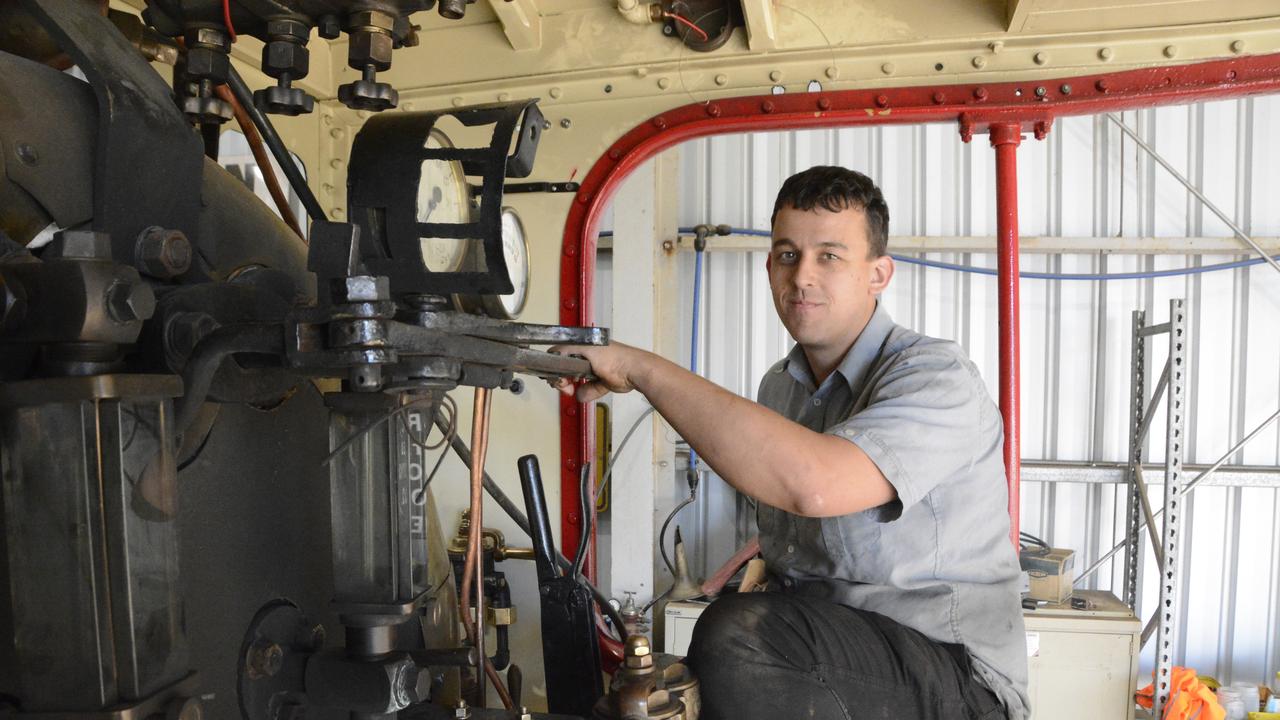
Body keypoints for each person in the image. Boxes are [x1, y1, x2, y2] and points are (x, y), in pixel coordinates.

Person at [555, 166, 1029, 720]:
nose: (802, 276)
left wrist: (642, 370)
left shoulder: (935, 375)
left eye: (829, 256)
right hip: (836, 654)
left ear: (879, 274)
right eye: (787, 255)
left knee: (739, 636)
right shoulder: (781, 388)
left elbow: (815, 485)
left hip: (958, 677)